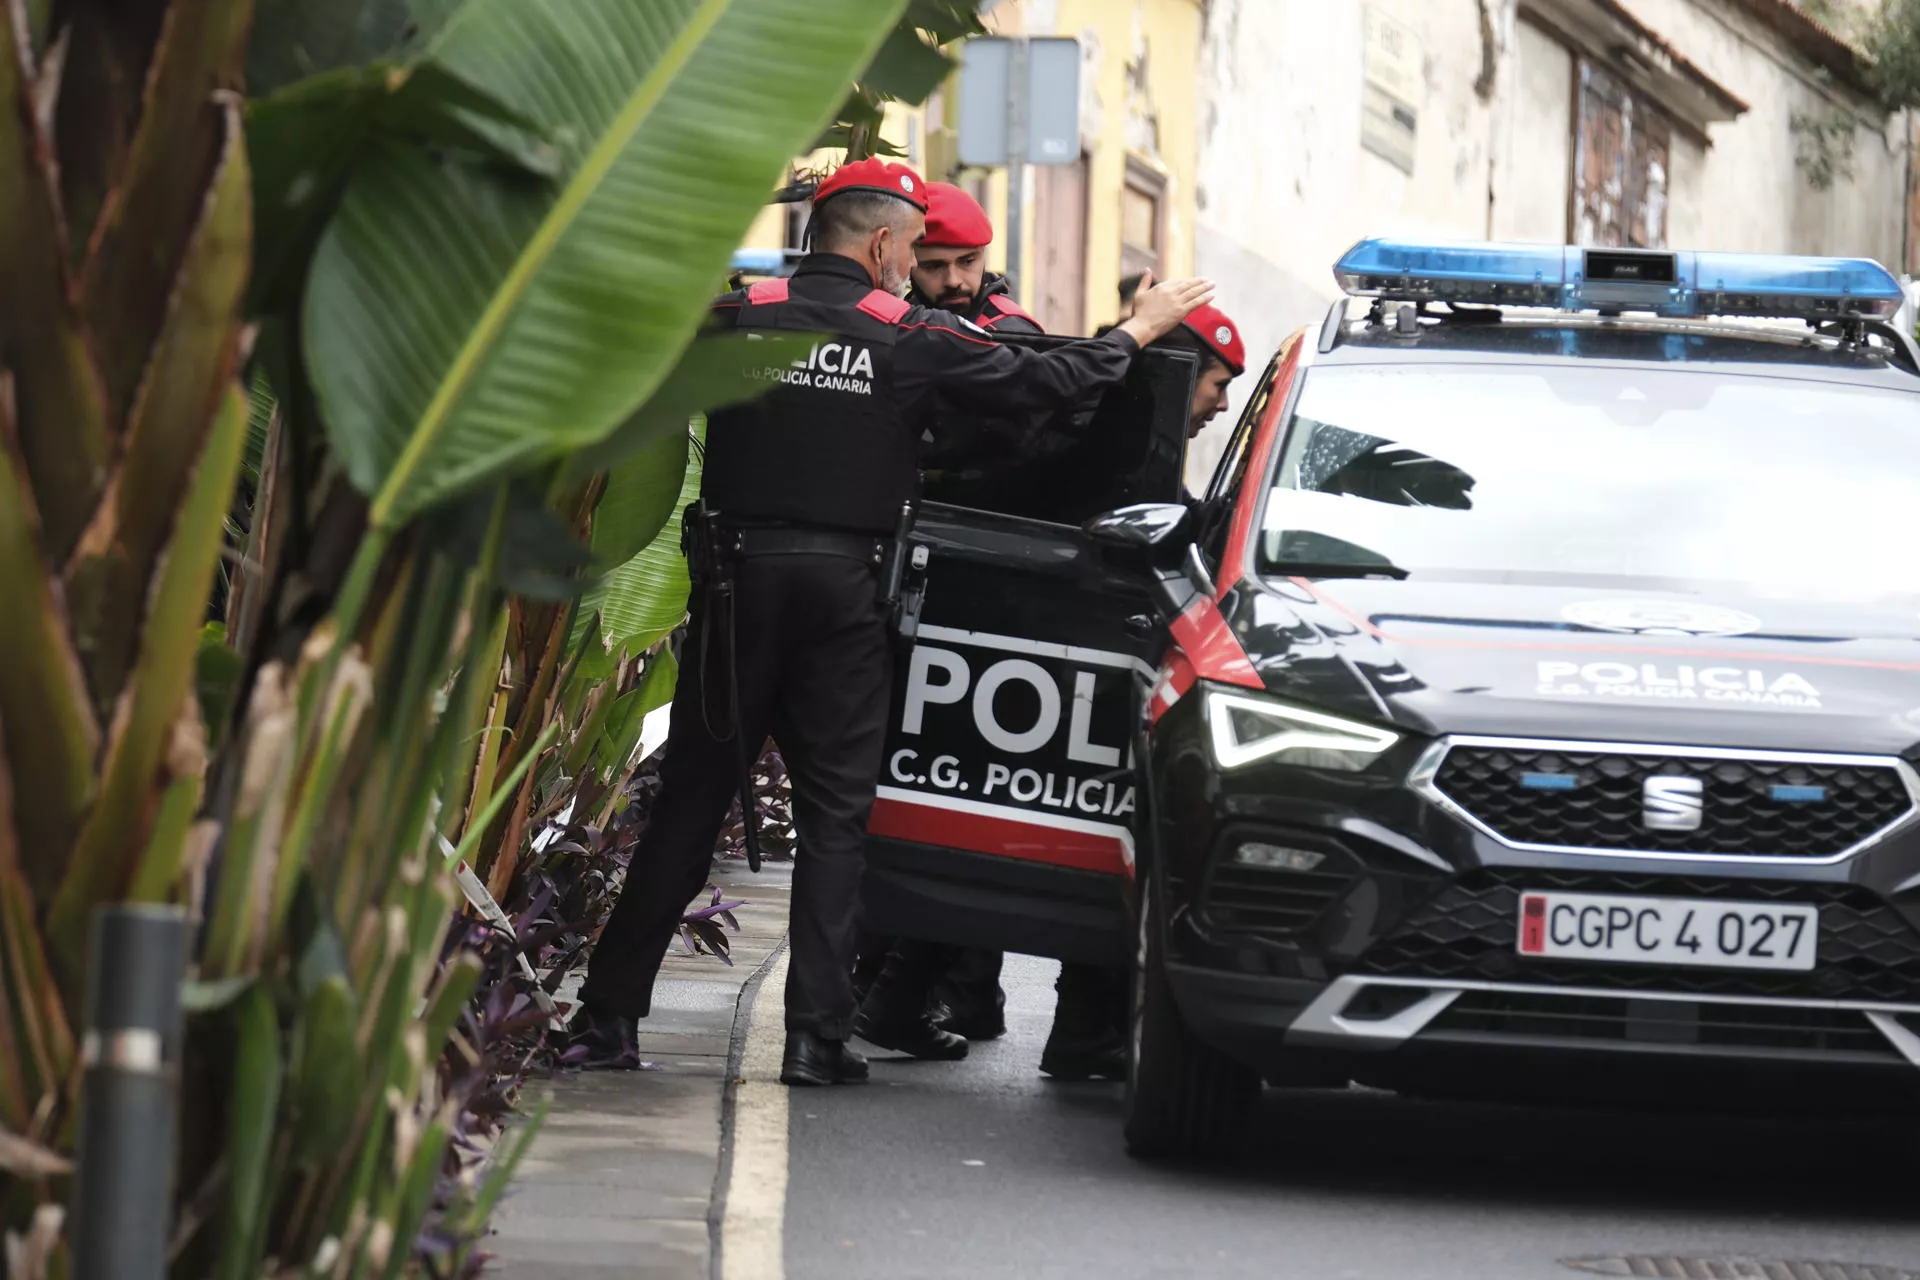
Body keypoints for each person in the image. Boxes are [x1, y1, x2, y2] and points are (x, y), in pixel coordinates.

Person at [567, 156, 1215, 1088]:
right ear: (879, 243)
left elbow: (621, 364)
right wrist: (1136, 334)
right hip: (843, 595)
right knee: (838, 818)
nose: (916, 268)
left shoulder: (740, 318)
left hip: (733, 587)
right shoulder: (904, 336)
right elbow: (1044, 386)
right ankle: (814, 1041)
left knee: (687, 809)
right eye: (913, 250)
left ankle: (606, 1023)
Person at [906, 182, 1042, 336]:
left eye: (967, 262)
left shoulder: (1011, 335)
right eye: (933, 267)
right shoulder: (898, 323)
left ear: (983, 255)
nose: (953, 281)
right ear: (907, 263)